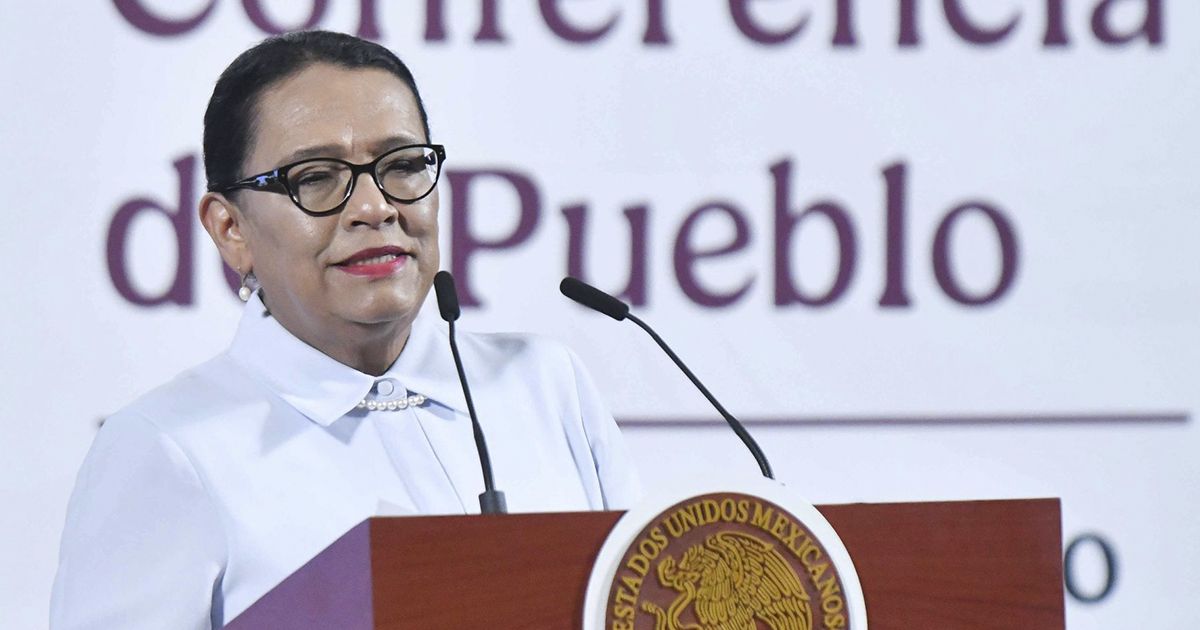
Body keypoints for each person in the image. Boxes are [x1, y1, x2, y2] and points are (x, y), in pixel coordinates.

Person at [50, 30, 640, 629]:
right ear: (231, 229)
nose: (375, 207)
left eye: (403, 165)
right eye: (315, 177)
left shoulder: (544, 385)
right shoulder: (167, 447)